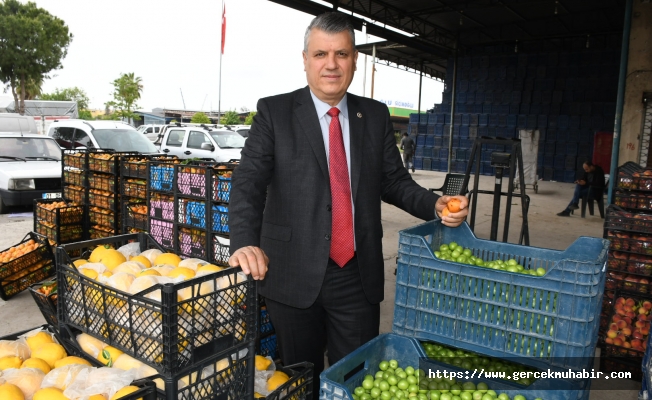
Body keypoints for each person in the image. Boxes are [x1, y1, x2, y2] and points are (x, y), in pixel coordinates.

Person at [227, 12, 469, 387]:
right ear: (305, 59)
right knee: (298, 378)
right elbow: (248, 183)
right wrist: (244, 241)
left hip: (356, 274)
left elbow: (393, 181)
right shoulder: (275, 112)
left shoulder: (373, 114)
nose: (331, 64)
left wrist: (433, 204)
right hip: (292, 272)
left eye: (341, 54)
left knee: (356, 378)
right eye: (321, 54)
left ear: (355, 59)